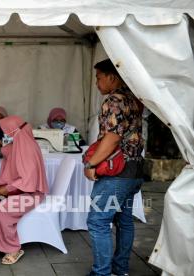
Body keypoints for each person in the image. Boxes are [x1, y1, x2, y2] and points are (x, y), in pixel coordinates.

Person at [84, 59, 144, 276]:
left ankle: (102, 273)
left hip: (117, 172)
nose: (97, 83)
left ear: (112, 76)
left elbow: (111, 138)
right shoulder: (134, 99)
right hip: (135, 170)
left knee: (98, 221)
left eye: (99, 78)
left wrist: (91, 163)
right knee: (124, 220)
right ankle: (120, 270)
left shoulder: (115, 100)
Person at [0, 115, 49, 265]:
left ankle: (13, 248)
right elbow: (3, 151)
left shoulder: (28, 149)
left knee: (1, 208)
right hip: (17, 191)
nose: (5, 134)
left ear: (13, 130)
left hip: (31, 194)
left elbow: (28, 180)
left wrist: (7, 188)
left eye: (6, 130)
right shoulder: (18, 143)